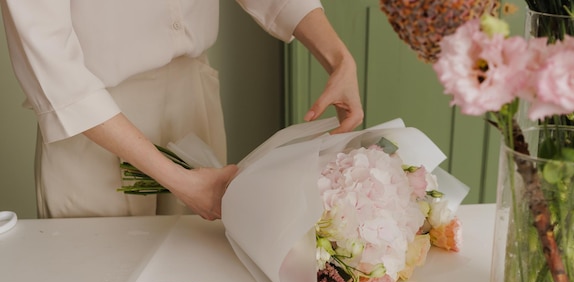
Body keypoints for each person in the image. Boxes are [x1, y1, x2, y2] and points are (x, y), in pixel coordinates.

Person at [0, 1, 363, 220]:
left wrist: (338, 57)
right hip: (92, 124)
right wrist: (180, 182)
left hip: (191, 99)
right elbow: (52, 64)